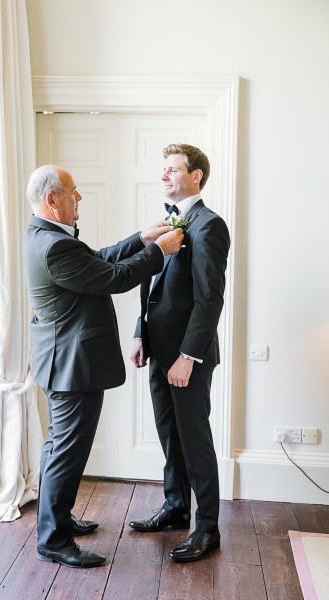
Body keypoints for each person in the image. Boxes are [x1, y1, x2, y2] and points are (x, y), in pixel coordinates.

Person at [23, 164, 184, 569]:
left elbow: (98, 260)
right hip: (72, 366)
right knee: (66, 452)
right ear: (51, 200)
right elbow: (114, 277)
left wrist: (142, 238)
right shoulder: (54, 245)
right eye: (73, 192)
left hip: (59, 360)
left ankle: (56, 520)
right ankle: (54, 540)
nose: (79, 198)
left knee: (58, 447)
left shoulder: (44, 235)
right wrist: (158, 252)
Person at [129, 144, 230, 563]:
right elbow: (151, 282)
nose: (165, 176)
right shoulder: (166, 225)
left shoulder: (209, 225)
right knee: (169, 436)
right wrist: (140, 333)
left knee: (195, 441)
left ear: (196, 176)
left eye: (173, 169)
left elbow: (209, 300)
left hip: (187, 359)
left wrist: (189, 356)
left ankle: (207, 528)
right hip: (157, 352)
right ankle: (175, 507)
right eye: (164, 169)